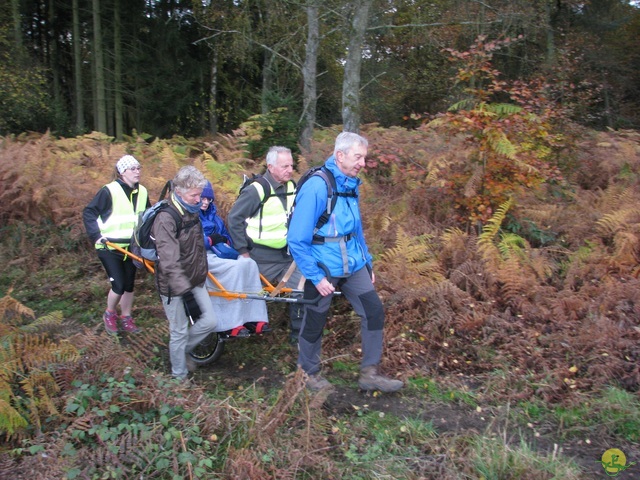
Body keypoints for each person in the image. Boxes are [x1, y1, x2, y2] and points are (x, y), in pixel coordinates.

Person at [287, 132, 403, 393]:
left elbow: (356, 229)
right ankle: (308, 374)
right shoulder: (318, 186)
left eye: (364, 157)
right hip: (322, 264)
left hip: (353, 262)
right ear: (340, 156)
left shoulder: (350, 184)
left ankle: (369, 373)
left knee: (373, 311)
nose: (363, 163)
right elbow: (296, 238)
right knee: (315, 318)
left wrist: (367, 262)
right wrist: (316, 277)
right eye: (358, 157)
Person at [227, 146, 304, 343]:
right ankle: (231, 329)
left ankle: (299, 339)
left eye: (291, 165)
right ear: (270, 167)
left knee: (301, 291)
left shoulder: (291, 187)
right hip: (259, 257)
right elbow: (234, 219)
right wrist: (243, 252)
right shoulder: (256, 190)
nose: (289, 169)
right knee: (245, 296)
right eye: (284, 166)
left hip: (287, 257)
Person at [152, 166, 218, 381]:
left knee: (210, 321)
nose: (200, 199)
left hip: (196, 279)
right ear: (179, 192)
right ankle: (179, 378)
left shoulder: (192, 210)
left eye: (200, 194)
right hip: (173, 286)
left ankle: (180, 352)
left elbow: (197, 248)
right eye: (195, 195)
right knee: (179, 330)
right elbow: (169, 263)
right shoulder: (165, 219)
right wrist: (185, 292)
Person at [83, 154, 150, 335]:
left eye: (139, 168)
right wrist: (96, 235)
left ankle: (126, 317)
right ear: (122, 172)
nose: (137, 172)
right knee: (119, 285)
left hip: (132, 247)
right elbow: (89, 212)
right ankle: (110, 313)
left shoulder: (142, 192)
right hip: (109, 247)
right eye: (133, 169)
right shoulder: (109, 191)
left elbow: (147, 218)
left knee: (129, 284)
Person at [199, 181, 270, 337]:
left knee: (250, 264)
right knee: (235, 268)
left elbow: (226, 236)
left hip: (220, 253)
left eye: (208, 199)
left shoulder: (214, 217)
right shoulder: (189, 216)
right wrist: (210, 240)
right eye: (202, 198)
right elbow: (189, 241)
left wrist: (224, 241)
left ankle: (254, 316)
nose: (205, 202)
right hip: (201, 255)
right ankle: (230, 322)